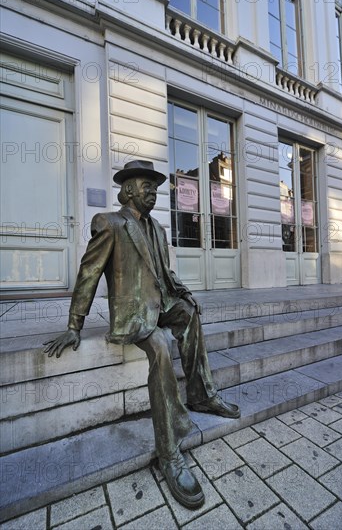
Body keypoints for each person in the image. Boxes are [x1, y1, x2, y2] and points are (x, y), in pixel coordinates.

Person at [44, 160, 240, 510]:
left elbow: (164, 272)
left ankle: (202, 394)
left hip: (160, 303)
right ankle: (170, 453)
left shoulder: (158, 229)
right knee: (162, 346)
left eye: (154, 186)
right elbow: (89, 273)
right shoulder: (110, 223)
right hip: (134, 314)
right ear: (129, 189)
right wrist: (75, 325)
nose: (152, 191)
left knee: (190, 314)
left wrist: (183, 293)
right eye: (145, 185)